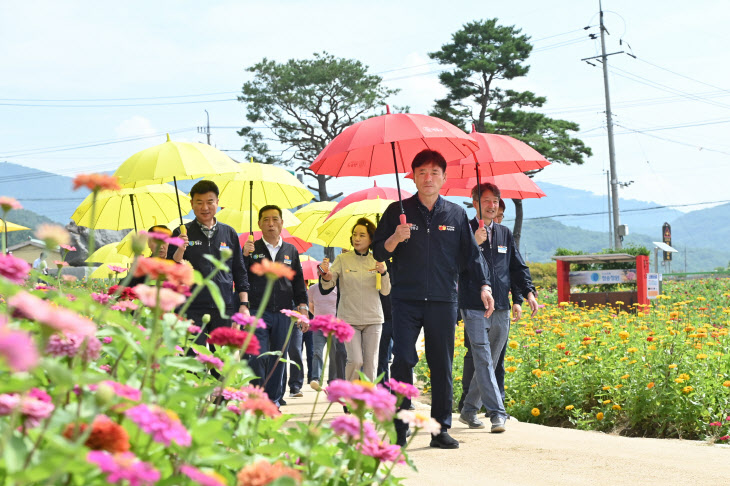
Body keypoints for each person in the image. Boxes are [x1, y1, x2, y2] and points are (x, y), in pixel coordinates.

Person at [373, 149, 494, 449]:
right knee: (402, 361)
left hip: (442, 300)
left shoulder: (455, 214)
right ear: (412, 176)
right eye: (422, 173)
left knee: (442, 365)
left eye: (434, 173)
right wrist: (395, 238)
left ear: (443, 177)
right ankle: (399, 430)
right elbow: (378, 252)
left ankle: (440, 431)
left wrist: (484, 285)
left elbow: (471, 257)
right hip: (405, 299)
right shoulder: (396, 210)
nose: (428, 178)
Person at [458, 183, 539, 434]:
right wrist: (473, 242)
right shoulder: (463, 231)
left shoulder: (504, 233)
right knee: (482, 357)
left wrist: (527, 293)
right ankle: (497, 413)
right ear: (475, 204)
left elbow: (517, 267)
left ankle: (469, 408)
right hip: (473, 303)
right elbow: (454, 264)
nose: (492, 205)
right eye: (487, 201)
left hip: (501, 305)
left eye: (495, 200)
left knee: (490, 361)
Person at [168, 180, 250, 345]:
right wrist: (180, 249)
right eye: (199, 202)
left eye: (209, 202)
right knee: (190, 358)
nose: (205, 208)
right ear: (192, 204)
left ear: (217, 203)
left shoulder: (229, 233)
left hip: (223, 307)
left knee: (220, 362)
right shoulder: (180, 233)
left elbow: (239, 270)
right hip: (191, 307)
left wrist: (244, 304)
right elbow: (171, 269)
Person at [243, 205, 308, 407]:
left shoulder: (290, 250)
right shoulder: (252, 248)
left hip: (283, 312)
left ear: (281, 222)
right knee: (256, 356)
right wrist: (244, 256)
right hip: (257, 311)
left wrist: (302, 306)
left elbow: (297, 281)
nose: (271, 224)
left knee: (279, 358)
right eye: (266, 220)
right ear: (259, 224)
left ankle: (273, 402)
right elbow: (240, 276)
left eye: (275, 219)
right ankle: (256, 397)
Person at [321, 217, 391, 382]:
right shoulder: (342, 259)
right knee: (355, 360)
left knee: (370, 363)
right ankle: (350, 396)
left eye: (362, 235)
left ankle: (365, 403)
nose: (357, 238)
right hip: (348, 318)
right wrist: (326, 276)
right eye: (354, 234)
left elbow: (386, 291)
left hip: (373, 319)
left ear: (371, 239)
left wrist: (383, 273)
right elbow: (327, 285)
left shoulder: (377, 260)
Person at [306, 280, 338, 390]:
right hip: (318, 326)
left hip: (334, 327)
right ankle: (316, 379)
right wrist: (319, 318)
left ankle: (332, 382)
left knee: (334, 355)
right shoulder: (313, 289)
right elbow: (310, 306)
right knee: (317, 352)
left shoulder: (337, 288)